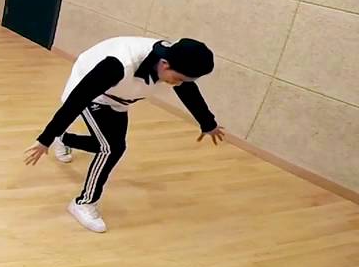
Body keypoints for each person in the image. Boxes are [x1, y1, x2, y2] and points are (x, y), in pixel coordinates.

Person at [23, 36, 225, 233]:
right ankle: (83, 203)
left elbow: (188, 89)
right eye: (179, 79)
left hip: (119, 98)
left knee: (109, 146)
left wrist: (208, 123)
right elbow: (76, 101)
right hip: (93, 93)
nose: (179, 84)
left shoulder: (174, 61)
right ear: (165, 64)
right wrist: (45, 139)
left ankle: (64, 139)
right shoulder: (118, 65)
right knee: (111, 149)